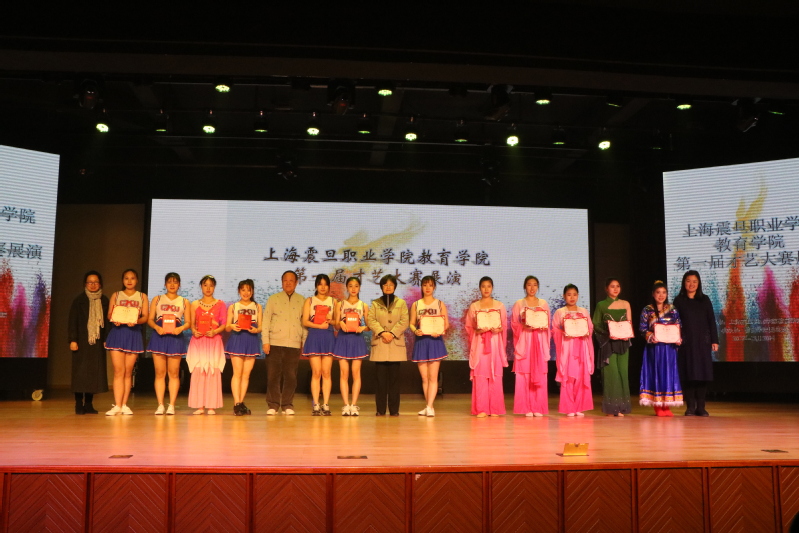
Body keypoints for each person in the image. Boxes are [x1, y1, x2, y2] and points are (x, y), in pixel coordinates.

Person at [673, 270, 718, 416]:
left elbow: (711, 320)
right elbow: (674, 322)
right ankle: (690, 407)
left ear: (698, 284)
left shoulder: (705, 299)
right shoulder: (678, 300)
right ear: (683, 283)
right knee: (688, 374)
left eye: (694, 281)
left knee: (702, 374)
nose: (691, 284)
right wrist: (675, 339)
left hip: (702, 342)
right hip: (685, 343)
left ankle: (701, 407)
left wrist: (714, 340)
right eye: (688, 281)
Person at [104, 269, 148, 415]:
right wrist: (114, 319)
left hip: (133, 334)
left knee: (128, 372)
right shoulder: (116, 295)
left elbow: (145, 317)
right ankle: (117, 405)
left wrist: (136, 321)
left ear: (137, 280)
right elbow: (110, 314)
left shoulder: (142, 296)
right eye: (126, 278)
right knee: (118, 371)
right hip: (117, 333)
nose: (129, 281)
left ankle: (124, 405)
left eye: (132, 278)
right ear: (122, 280)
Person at [261, 271, 305, 415]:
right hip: (274, 342)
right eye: (285, 280)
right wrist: (265, 341)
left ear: (296, 283)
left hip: (294, 343)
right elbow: (266, 320)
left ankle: (287, 404)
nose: (288, 283)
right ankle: (273, 404)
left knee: (291, 377)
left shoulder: (302, 300)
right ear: (281, 282)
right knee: (272, 376)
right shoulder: (273, 299)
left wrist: (304, 342)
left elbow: (304, 323)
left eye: (291, 280)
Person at [147, 272, 190, 415]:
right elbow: (150, 319)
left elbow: (188, 322)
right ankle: (160, 405)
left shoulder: (184, 301)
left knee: (174, 373)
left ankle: (171, 405)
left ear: (179, 285)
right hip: (159, 336)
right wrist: (157, 327)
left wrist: (180, 328)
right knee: (160, 373)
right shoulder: (157, 299)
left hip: (175, 338)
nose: (172, 285)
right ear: (165, 284)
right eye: (169, 282)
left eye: (175, 282)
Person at [639, 280, 684, 417]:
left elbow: (678, 325)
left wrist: (678, 338)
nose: (661, 295)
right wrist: (650, 336)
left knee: (668, 374)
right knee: (656, 374)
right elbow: (642, 329)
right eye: (658, 292)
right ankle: (658, 405)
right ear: (653, 294)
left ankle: (666, 405)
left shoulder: (672, 309)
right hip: (655, 348)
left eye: (664, 292)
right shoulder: (647, 310)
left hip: (669, 348)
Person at [465, 276, 507, 417]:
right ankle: (481, 409)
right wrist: (477, 331)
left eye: (489, 286)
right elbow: (469, 327)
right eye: (483, 286)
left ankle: (495, 409)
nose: (486, 289)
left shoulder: (499, 306)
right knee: (481, 374)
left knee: (495, 374)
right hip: (480, 343)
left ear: (492, 288)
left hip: (494, 343)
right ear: (480, 288)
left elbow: (503, 326)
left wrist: (498, 329)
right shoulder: (474, 306)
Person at [367, 274, 409, 416]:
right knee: (380, 381)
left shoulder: (401, 303)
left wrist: (391, 333)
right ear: (381, 287)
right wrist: (382, 332)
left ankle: (394, 410)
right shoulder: (375, 303)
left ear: (395, 287)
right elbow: (371, 320)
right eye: (385, 285)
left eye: (391, 285)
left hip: (395, 344)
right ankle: (380, 410)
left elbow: (404, 321)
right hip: (380, 343)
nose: (388, 287)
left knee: (394, 381)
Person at [68, 271, 109, 415]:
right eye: (90, 282)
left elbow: (107, 323)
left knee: (93, 374)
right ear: (85, 284)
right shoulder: (79, 300)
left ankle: (89, 404)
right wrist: (73, 340)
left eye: (95, 282)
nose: (93, 285)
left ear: (100, 284)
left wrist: (106, 339)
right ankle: (79, 404)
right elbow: (72, 321)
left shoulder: (104, 300)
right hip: (81, 341)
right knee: (80, 374)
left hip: (97, 341)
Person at [592, 278, 633, 417]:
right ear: (606, 289)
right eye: (612, 286)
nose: (615, 289)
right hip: (608, 343)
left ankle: (621, 408)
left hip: (622, 343)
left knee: (622, 372)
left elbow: (629, 322)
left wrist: (627, 334)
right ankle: (611, 408)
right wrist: (608, 333)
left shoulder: (625, 303)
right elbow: (595, 324)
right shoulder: (601, 305)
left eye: (618, 286)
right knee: (611, 374)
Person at [510, 275, 550, 417]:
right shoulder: (519, 304)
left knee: (539, 371)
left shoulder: (543, 304)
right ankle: (525, 407)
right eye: (529, 284)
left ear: (538, 287)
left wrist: (542, 326)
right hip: (525, 340)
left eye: (535, 285)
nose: (532, 288)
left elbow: (547, 323)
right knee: (525, 372)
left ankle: (538, 406)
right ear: (524, 287)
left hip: (539, 340)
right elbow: (514, 324)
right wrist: (523, 325)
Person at [410, 276, 449, 417]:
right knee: (424, 378)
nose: (427, 288)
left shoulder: (439, 304)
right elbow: (411, 323)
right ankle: (428, 406)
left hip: (435, 342)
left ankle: (430, 406)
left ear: (434, 287)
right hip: (421, 342)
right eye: (425, 285)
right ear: (421, 287)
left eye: (430, 285)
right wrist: (415, 331)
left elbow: (446, 324)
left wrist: (439, 331)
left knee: (433, 377)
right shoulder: (416, 304)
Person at [186, 275, 226, 415]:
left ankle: (211, 406)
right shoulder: (195, 304)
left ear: (214, 287)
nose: (208, 288)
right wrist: (194, 331)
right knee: (199, 370)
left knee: (212, 370)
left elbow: (224, 324)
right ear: (201, 286)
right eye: (205, 285)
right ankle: (199, 405)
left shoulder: (220, 304)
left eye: (211, 285)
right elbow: (192, 324)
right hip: (199, 341)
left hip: (214, 341)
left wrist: (214, 331)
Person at [552, 284, 594, 416]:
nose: (572, 297)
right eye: (569, 294)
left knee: (581, 375)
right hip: (568, 347)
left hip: (581, 346)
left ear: (578, 296)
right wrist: (564, 332)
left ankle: (579, 406)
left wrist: (586, 332)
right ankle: (569, 407)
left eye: (574, 294)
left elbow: (590, 327)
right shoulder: (560, 312)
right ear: (564, 296)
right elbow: (554, 330)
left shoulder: (583, 311)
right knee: (568, 376)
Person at [332, 276, 369, 416]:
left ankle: (354, 405)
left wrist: (363, 328)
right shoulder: (340, 304)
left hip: (357, 340)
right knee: (344, 373)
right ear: (347, 288)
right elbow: (336, 325)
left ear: (359, 288)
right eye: (351, 286)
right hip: (343, 339)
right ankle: (346, 405)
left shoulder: (363, 305)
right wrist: (340, 323)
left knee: (356, 373)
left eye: (356, 286)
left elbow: (369, 326)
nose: (353, 289)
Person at [225, 279, 263, 416]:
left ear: (252, 291)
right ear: (239, 291)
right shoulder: (233, 306)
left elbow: (261, 326)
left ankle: (241, 402)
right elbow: (227, 327)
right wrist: (232, 326)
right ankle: (236, 403)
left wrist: (256, 330)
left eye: (248, 290)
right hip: (237, 339)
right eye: (243, 290)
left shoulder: (257, 306)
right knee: (237, 373)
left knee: (246, 375)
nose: (246, 293)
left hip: (251, 340)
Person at [302, 274, 336, 416]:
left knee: (326, 373)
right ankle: (316, 404)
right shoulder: (309, 301)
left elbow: (337, 324)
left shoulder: (334, 301)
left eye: (325, 284)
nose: (323, 287)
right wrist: (318, 326)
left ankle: (326, 404)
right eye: (320, 284)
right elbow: (304, 321)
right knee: (316, 372)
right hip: (315, 336)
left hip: (328, 336)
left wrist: (331, 320)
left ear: (328, 286)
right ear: (316, 285)